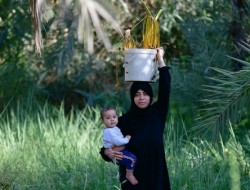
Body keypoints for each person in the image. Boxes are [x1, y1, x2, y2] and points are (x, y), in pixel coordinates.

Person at [100, 47, 171, 190]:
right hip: (133, 180)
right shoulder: (124, 121)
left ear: (150, 96)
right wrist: (106, 153)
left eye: (145, 94)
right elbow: (108, 146)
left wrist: (160, 60)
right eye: (137, 94)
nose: (141, 98)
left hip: (155, 175)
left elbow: (165, 87)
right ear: (132, 97)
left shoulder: (157, 113)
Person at [101, 106, 138, 185]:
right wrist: (126, 139)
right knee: (132, 159)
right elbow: (118, 142)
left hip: (121, 151)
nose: (112, 119)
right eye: (108, 118)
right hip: (118, 153)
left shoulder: (114, 128)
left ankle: (125, 173)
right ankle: (129, 174)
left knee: (130, 157)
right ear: (103, 121)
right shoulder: (110, 131)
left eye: (114, 117)